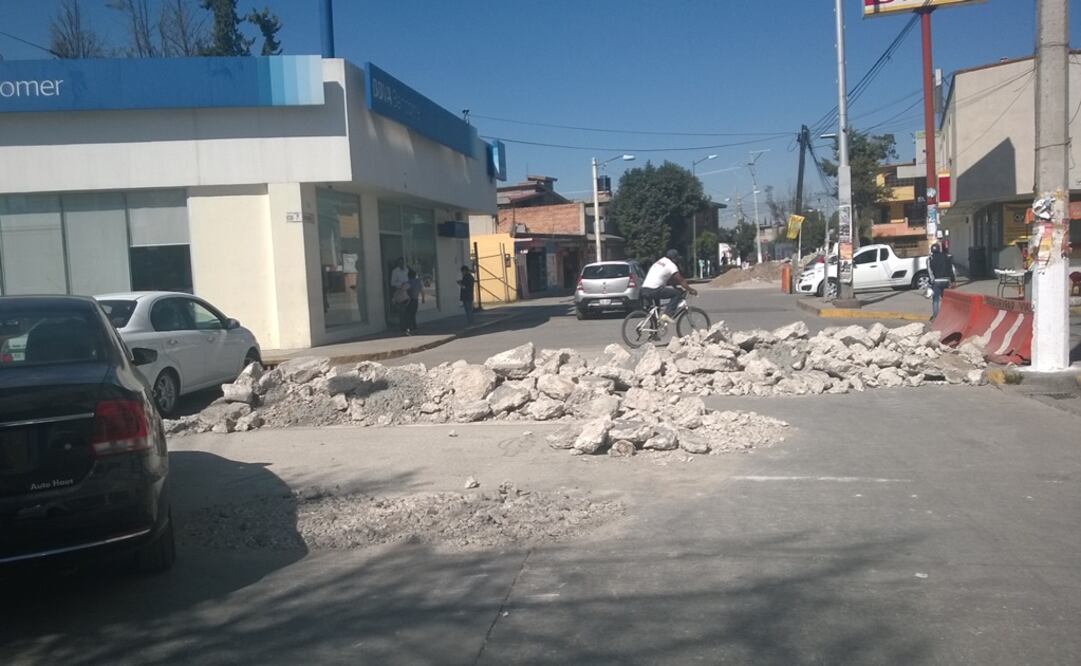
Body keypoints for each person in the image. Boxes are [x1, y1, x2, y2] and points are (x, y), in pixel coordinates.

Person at [640, 249, 698, 323]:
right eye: (676, 259)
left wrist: (675, 287)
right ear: (673, 258)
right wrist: (691, 290)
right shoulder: (671, 265)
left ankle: (654, 330)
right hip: (654, 289)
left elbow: (669, 279)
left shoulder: (660, 261)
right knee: (677, 294)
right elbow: (680, 280)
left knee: (656, 311)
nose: (677, 261)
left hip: (644, 289)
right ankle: (667, 314)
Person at [928, 243, 955, 320]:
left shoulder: (930, 259)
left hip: (937, 281)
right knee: (946, 299)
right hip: (946, 280)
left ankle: (936, 317)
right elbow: (951, 269)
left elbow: (930, 272)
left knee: (936, 300)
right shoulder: (946, 257)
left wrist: (931, 282)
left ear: (932, 251)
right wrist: (952, 280)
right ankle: (949, 315)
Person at [401, 268, 422, 335]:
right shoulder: (418, 282)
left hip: (410, 300)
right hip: (416, 300)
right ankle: (414, 328)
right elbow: (422, 290)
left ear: (408, 276)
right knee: (413, 315)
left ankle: (410, 329)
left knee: (408, 315)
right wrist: (423, 298)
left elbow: (403, 289)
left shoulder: (409, 282)